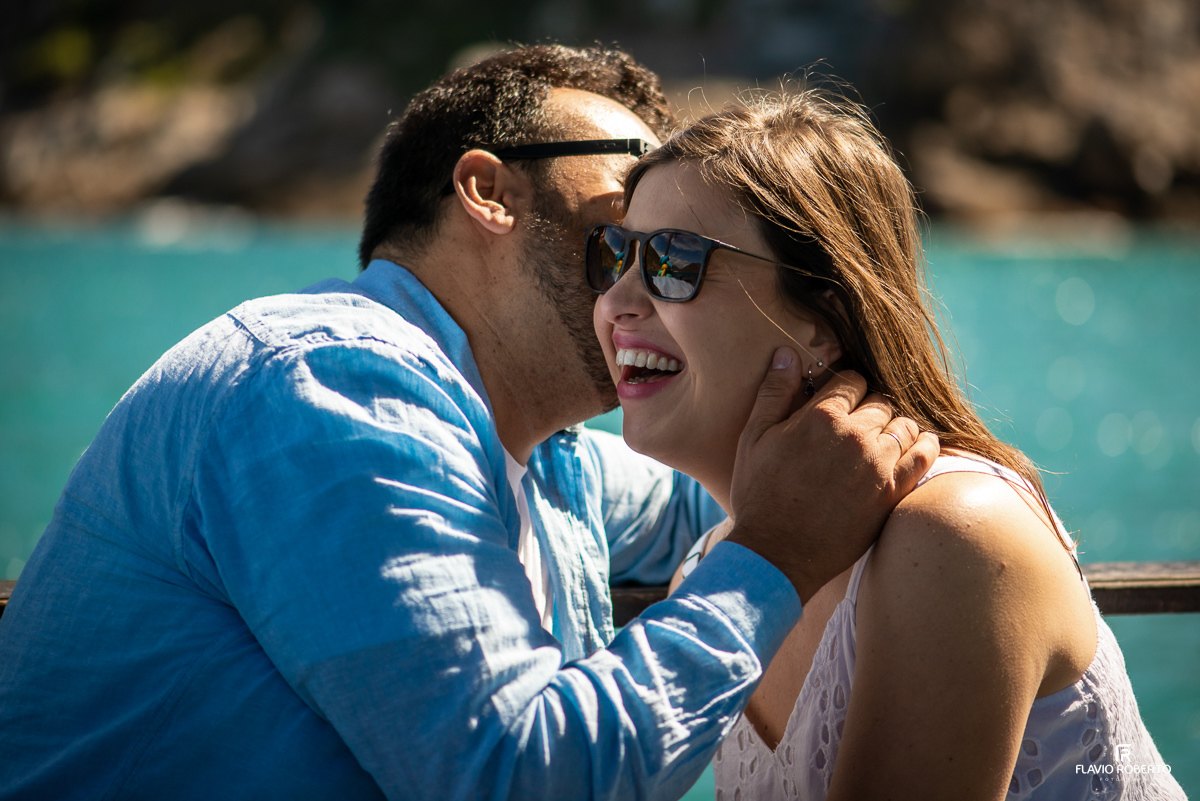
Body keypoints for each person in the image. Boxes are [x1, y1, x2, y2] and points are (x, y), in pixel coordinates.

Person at [0, 47, 937, 800]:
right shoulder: (329, 388)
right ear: (488, 191)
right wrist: (769, 562)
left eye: (675, 253)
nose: (639, 265)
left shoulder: (550, 452)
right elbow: (511, 774)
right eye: (625, 226)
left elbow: (755, 491)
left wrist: (910, 467)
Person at [591, 87, 1185, 799]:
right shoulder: (710, 577)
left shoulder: (957, 533)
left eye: (673, 263)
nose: (618, 300)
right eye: (614, 255)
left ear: (824, 318)